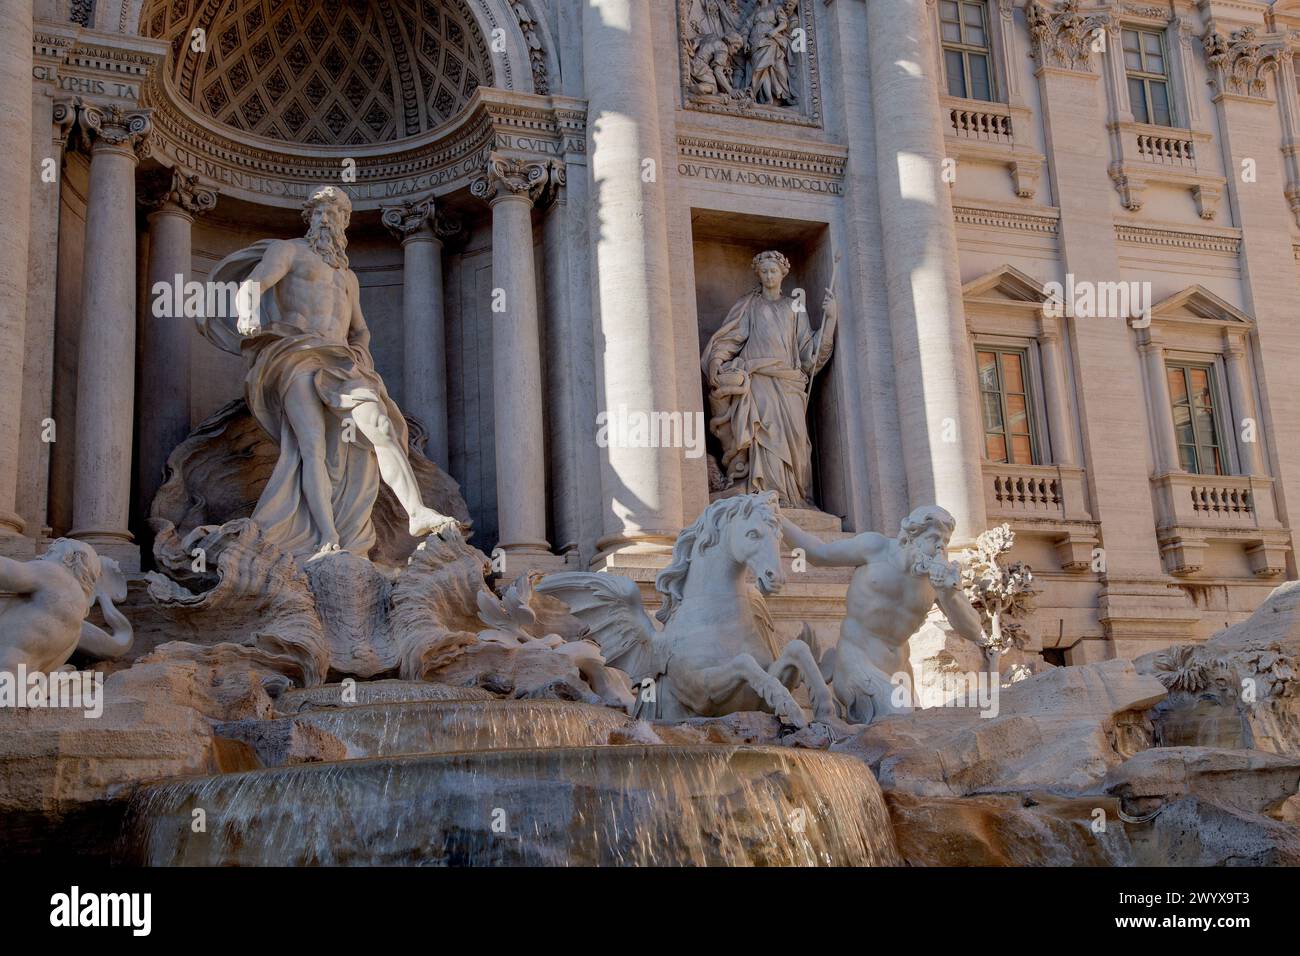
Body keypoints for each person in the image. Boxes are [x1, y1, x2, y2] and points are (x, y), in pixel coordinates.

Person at [198, 186, 456, 561]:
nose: (325, 219)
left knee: (380, 427)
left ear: (344, 222)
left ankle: (416, 512)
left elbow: (360, 328)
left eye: (333, 213)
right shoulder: (288, 251)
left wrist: (361, 355)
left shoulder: (347, 277)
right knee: (311, 447)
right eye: (318, 212)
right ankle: (326, 535)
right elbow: (254, 283)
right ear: (309, 218)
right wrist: (249, 313)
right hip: (296, 355)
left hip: (342, 363)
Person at [779, 505, 987, 723]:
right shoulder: (875, 548)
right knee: (899, 721)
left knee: (912, 731)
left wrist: (950, 593)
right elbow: (817, 554)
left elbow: (973, 631)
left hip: (900, 672)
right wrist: (778, 518)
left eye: (945, 542)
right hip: (857, 661)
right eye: (934, 538)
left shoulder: (939, 581)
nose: (939, 548)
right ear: (910, 536)